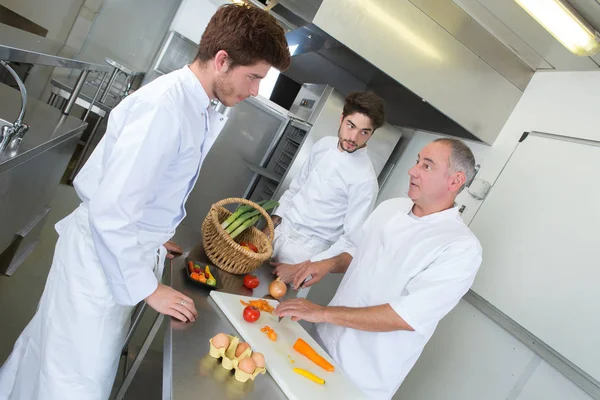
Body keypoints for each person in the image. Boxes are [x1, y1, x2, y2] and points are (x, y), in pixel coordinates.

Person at [0, 5, 290, 400]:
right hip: (101, 263)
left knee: (47, 355)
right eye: (253, 77)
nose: (255, 90)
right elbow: (112, 212)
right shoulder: (165, 108)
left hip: (122, 250)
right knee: (74, 383)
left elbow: (149, 188)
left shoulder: (196, 104)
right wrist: (148, 288)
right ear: (222, 61)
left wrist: (155, 236)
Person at [275, 138, 482, 399]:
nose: (413, 170)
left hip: (360, 378)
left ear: (455, 181)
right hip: (318, 344)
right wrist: (326, 265)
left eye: (427, 166)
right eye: (417, 160)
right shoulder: (391, 208)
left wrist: (322, 312)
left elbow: (405, 316)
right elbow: (356, 251)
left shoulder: (460, 247)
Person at [270, 92, 384, 296]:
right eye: (351, 126)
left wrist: (302, 268)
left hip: (305, 255)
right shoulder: (323, 145)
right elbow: (296, 187)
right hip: (278, 234)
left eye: (364, 132)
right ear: (341, 119)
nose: (354, 138)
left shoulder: (365, 181)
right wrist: (271, 226)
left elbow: (351, 240)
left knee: (271, 310)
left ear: (372, 134)